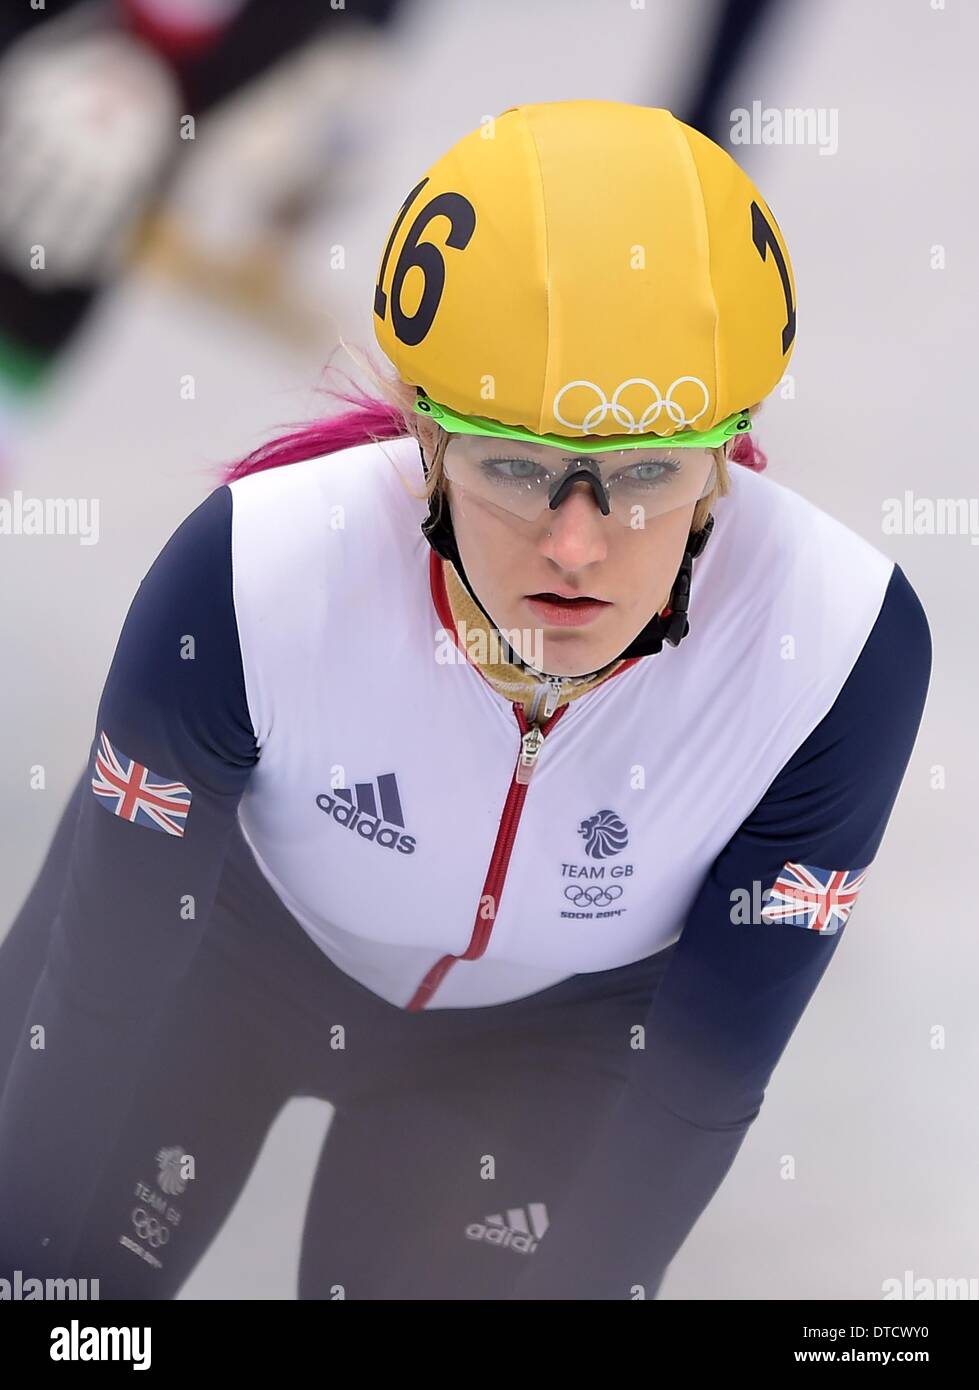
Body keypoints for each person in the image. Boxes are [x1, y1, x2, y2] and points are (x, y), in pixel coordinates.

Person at [0, 99, 931, 1300]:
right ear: (426, 445)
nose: (577, 545)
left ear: (726, 460)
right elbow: (97, 1005)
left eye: (647, 471)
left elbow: (699, 1084)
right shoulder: (250, 575)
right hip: (214, 958)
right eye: (514, 466)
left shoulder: (835, 647)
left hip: (547, 1040)